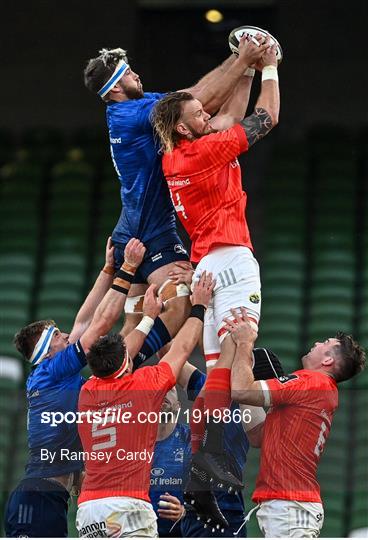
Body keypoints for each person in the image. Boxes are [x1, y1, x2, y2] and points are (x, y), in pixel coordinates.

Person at [83, 37, 262, 367]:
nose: (136, 75)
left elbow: (194, 99)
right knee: (179, 303)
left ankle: (125, 381)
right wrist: (242, 62)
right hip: (150, 232)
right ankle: (125, 369)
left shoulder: (137, 106)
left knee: (135, 323)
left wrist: (241, 62)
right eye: (127, 73)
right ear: (114, 88)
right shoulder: (131, 116)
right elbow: (201, 100)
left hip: (133, 227)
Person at [151, 38, 280, 497]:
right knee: (238, 359)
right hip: (233, 261)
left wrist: (243, 69)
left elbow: (225, 119)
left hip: (207, 265)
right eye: (198, 113)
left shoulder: (174, 158)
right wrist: (269, 67)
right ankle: (227, 458)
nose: (208, 113)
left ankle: (204, 460)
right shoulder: (206, 152)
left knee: (214, 373)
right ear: (184, 128)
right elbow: (266, 119)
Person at [4, 238, 154, 538]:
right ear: (49, 352)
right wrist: (127, 269)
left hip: (43, 496)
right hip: (40, 497)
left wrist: (107, 269)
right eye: (58, 335)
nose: (67, 335)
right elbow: (98, 325)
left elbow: (84, 320)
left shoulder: (50, 372)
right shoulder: (51, 371)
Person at [75, 272, 215, 538]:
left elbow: (121, 357)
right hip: (128, 505)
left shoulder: (88, 391)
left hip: (90, 507)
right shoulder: (144, 385)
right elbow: (182, 348)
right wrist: (200, 306)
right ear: (127, 363)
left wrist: (148, 318)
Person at [226, 308, 366, 538]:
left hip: (290, 505)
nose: (318, 342)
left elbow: (242, 391)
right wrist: (245, 371)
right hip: (288, 505)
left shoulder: (312, 381)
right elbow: (258, 436)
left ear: (328, 359)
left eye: (326, 342)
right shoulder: (319, 390)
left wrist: (244, 344)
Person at [149, 387, 191, 537]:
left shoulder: (192, 441)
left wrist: (185, 512)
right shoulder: (133, 443)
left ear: (178, 406)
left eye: (169, 389)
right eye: (158, 389)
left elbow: (212, 499)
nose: (163, 393)